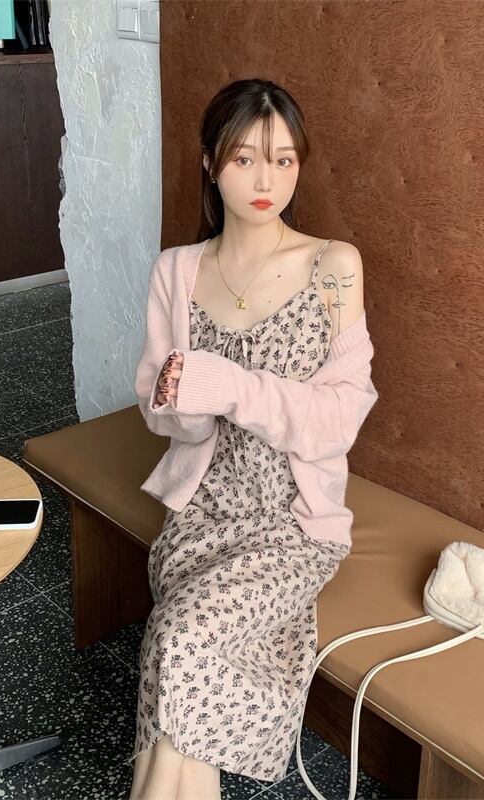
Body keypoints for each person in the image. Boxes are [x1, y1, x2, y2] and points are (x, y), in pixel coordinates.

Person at [128, 77, 376, 800]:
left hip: (291, 525)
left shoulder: (334, 267)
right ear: (210, 163)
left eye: (284, 160)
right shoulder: (177, 271)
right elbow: (161, 414)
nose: (267, 182)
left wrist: (231, 386)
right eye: (244, 160)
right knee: (182, 650)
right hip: (200, 516)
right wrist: (185, 403)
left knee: (177, 641)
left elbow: (340, 419)